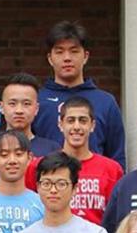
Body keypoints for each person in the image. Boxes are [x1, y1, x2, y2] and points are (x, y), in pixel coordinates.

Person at [33, 22, 125, 170]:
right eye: (60, 51)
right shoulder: (37, 101)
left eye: (74, 51)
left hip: (94, 187)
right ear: (50, 58)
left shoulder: (106, 102)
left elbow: (117, 155)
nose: (67, 58)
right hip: (48, 185)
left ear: (86, 56)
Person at [26, 97, 122, 226]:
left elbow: (117, 218)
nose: (76, 127)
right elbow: (30, 209)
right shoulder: (38, 166)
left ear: (92, 125)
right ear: (60, 124)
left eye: (83, 121)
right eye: (70, 121)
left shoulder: (111, 169)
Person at [0, 74, 60, 186]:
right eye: (12, 104)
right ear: (2, 107)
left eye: (26, 104)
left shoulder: (52, 149)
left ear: (36, 109)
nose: (19, 110)